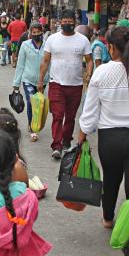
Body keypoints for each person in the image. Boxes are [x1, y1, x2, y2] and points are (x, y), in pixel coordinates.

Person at [78, 26, 129, 228]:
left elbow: (90, 112)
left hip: (110, 138)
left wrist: (81, 136)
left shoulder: (102, 72)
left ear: (112, 48)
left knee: (111, 179)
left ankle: (108, 218)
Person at [38, 9, 92, 159]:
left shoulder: (83, 40)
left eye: (70, 22)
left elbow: (89, 60)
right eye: (65, 21)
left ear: (75, 22)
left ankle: (66, 140)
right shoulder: (52, 39)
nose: (67, 24)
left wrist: (88, 73)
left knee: (70, 117)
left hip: (76, 85)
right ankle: (56, 145)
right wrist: (40, 80)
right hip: (56, 84)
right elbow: (45, 61)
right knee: (57, 115)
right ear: (60, 22)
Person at [12, 23, 48, 142]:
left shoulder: (47, 45)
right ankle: (33, 128)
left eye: (38, 32)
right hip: (28, 79)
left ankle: (35, 123)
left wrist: (51, 78)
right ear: (30, 33)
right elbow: (20, 64)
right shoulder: (25, 45)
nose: (36, 34)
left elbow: (50, 63)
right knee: (31, 102)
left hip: (43, 80)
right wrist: (16, 83)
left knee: (40, 103)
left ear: (42, 32)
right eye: (34, 32)